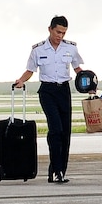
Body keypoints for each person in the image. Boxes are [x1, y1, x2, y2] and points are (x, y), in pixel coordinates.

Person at [13, 16, 84, 183]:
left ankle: (59, 171)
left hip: (64, 90)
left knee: (65, 132)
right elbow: (30, 70)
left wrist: (88, 82)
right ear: (50, 29)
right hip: (47, 91)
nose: (60, 35)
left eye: (63, 33)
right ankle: (56, 169)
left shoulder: (71, 48)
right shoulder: (38, 49)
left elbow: (78, 68)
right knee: (56, 129)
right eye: (58, 32)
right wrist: (21, 80)